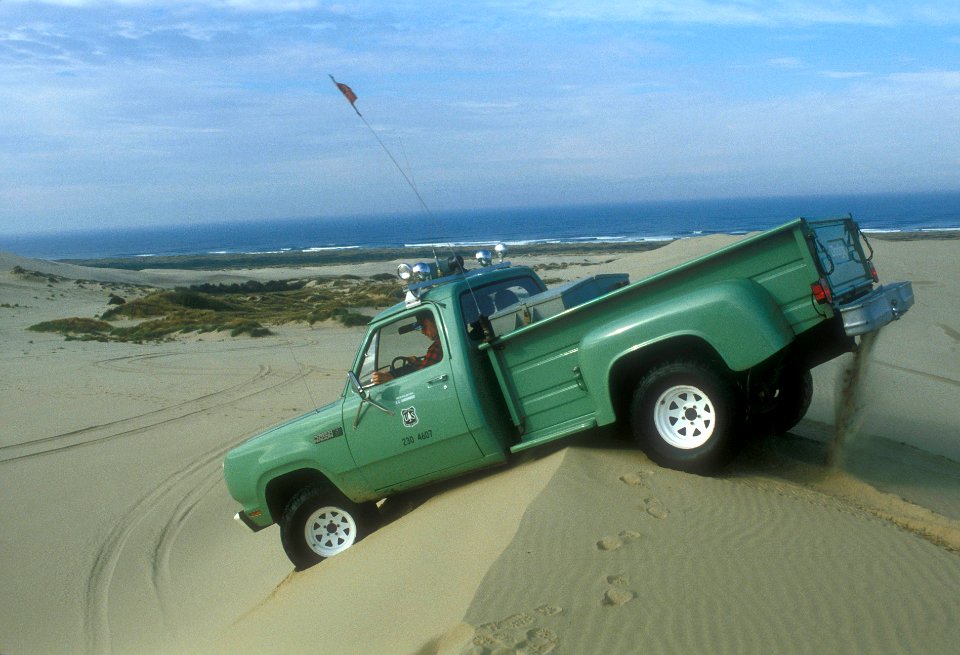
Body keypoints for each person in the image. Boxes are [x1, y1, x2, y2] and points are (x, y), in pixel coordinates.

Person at [371, 313, 442, 384]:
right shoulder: (442, 344)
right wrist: (418, 363)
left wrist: (391, 380)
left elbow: (423, 380)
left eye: (424, 326)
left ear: (435, 322)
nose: (422, 331)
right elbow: (430, 368)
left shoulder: (436, 348)